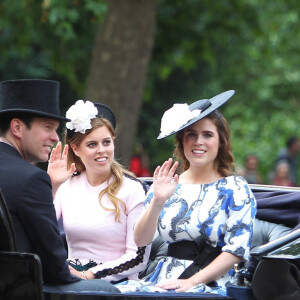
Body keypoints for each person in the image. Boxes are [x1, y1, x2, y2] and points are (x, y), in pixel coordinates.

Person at [0, 79, 119, 293]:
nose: (55, 138)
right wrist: (78, 274)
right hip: (18, 289)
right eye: (48, 128)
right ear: (17, 127)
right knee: (105, 289)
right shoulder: (30, 179)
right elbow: (53, 260)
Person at [133, 90, 257, 296]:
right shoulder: (168, 184)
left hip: (212, 283)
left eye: (207, 135)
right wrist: (157, 201)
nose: (199, 141)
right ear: (182, 141)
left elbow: (236, 250)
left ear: (220, 142)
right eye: (191, 134)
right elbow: (140, 240)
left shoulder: (234, 188)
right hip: (164, 279)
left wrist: (192, 282)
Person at [47, 100, 151, 284]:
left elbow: (138, 257)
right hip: (72, 280)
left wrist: (90, 274)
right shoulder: (66, 186)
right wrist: (52, 187)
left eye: (106, 142)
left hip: (117, 284)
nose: (101, 150)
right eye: (92, 145)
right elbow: (41, 230)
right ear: (75, 149)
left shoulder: (133, 189)